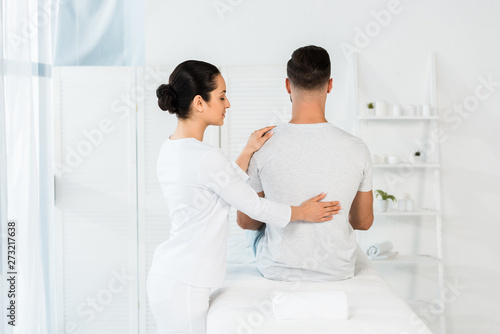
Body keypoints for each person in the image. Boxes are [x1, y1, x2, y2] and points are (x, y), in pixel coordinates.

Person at [146, 60, 341, 334]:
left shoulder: (173, 148)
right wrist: (302, 212)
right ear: (200, 103)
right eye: (222, 96)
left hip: (171, 276)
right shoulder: (205, 157)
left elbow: (220, 185)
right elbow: (254, 206)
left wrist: (249, 150)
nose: (228, 104)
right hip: (184, 284)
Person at [237, 45, 374, 282]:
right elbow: (363, 222)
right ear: (330, 85)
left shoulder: (262, 145)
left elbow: (247, 222)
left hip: (277, 270)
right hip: (336, 270)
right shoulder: (357, 148)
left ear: (288, 85)